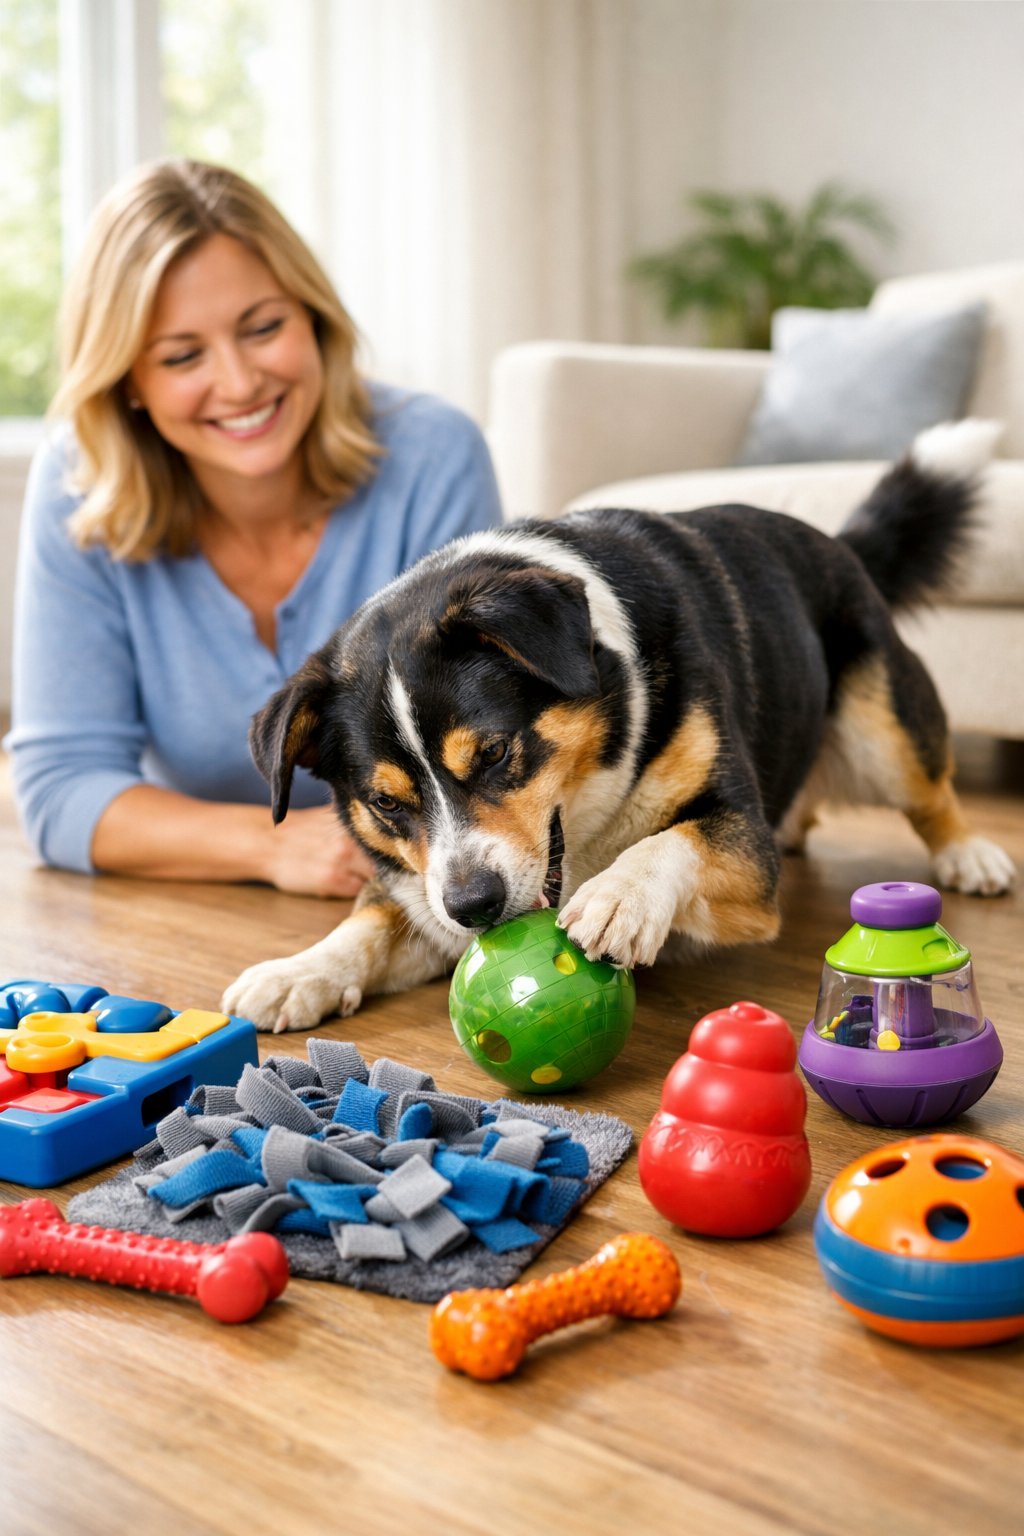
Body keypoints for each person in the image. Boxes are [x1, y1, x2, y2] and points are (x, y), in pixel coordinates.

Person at [6, 159, 503, 897]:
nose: (239, 384)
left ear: (314, 318)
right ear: (129, 383)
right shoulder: (78, 486)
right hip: (185, 904)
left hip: (434, 895)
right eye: (182, 356)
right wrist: (271, 848)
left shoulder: (435, 454)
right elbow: (60, 791)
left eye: (263, 327)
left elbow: (497, 734)